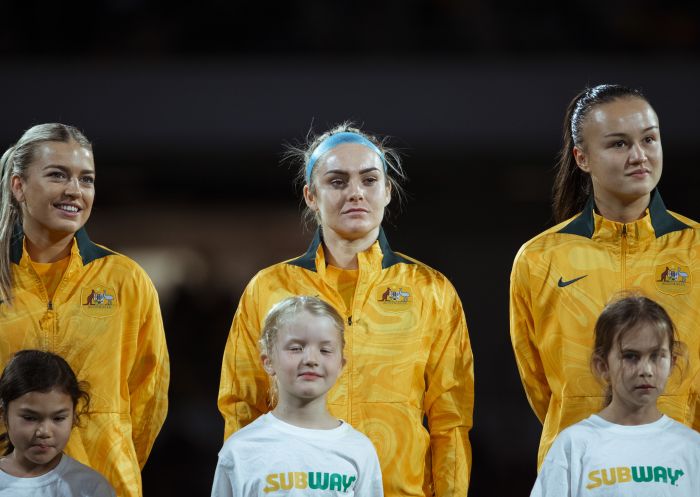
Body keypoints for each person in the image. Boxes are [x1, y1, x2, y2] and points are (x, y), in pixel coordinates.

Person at [218, 123, 473, 496]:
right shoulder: (269, 289)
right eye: (337, 181)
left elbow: (450, 422)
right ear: (311, 195)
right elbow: (242, 406)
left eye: (369, 180)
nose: (355, 192)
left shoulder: (429, 290)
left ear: (386, 191)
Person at [510, 84, 700, 468]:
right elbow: (540, 386)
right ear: (582, 158)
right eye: (618, 144)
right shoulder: (540, 258)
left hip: (681, 468)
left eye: (649, 139)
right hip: (580, 469)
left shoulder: (694, 249)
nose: (639, 156)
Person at [0, 123, 169, 497]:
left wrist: (110, 456)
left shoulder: (125, 280)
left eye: (86, 179)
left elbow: (148, 396)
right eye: (58, 175)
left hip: (103, 481)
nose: (75, 191)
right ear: (19, 186)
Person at [212, 295, 383, 496]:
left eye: (325, 350)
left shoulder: (359, 449)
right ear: (268, 362)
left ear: (340, 366)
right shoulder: (240, 450)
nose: (311, 359)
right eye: (296, 348)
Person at [531, 294, 700, 496]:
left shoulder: (692, 449)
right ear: (603, 365)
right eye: (630, 356)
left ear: (672, 362)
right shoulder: (573, 446)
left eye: (656, 356)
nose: (645, 370)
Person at [0, 349, 116, 496]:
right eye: (30, 418)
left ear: (73, 417)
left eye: (58, 418)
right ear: (4, 415)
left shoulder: (91, 487)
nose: (44, 432)